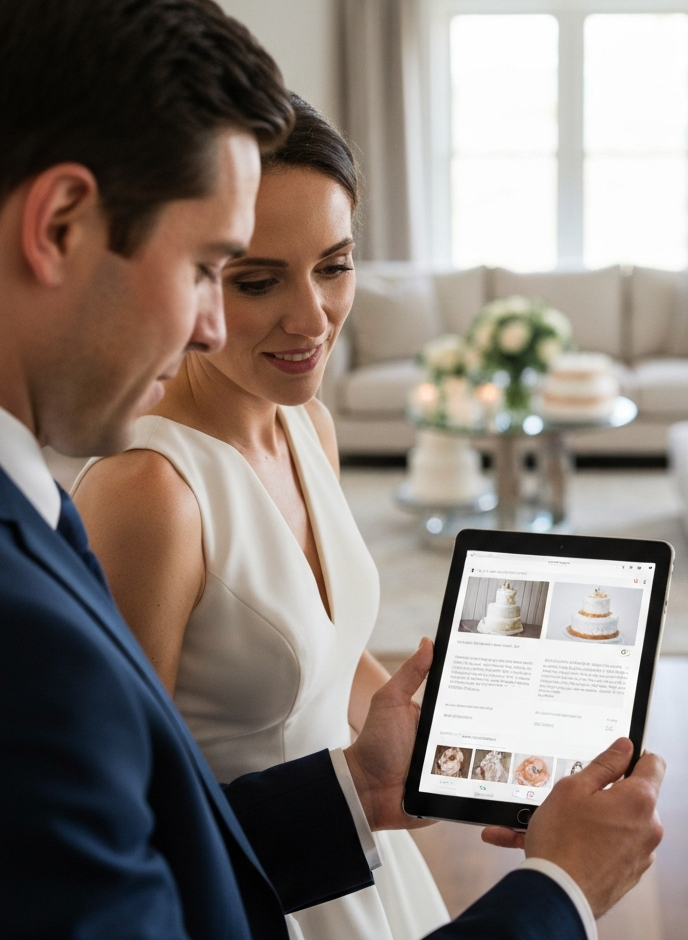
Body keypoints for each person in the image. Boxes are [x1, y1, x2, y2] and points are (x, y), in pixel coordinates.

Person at [0, 0, 666, 940]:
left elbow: (169, 819)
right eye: (222, 271)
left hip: (352, 854)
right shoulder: (119, 513)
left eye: (336, 265)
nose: (216, 328)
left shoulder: (67, 501)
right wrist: (561, 890)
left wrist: (366, 779)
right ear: (58, 226)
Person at [72, 95, 450, 940]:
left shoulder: (306, 422)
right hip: (259, 890)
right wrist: (352, 790)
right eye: (257, 280)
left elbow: (324, 657)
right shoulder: (151, 492)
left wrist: (437, 745)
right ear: (190, 272)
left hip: (369, 866)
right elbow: (131, 809)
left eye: (335, 265)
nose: (312, 318)